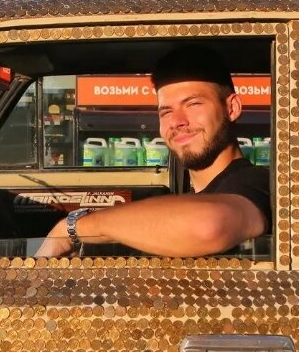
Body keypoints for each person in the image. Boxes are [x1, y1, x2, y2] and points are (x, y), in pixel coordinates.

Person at [36, 45, 271, 258]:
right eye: (166, 112)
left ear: (232, 108)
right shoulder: (189, 196)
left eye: (193, 104)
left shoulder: (256, 183)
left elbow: (209, 226)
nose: (177, 121)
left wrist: (72, 228)